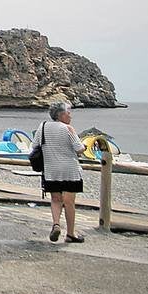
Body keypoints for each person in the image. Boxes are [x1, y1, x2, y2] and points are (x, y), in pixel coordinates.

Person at [36, 100, 86, 244]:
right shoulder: (68, 129)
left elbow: (35, 145)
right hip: (70, 170)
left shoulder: (43, 127)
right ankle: (70, 233)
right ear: (61, 115)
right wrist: (83, 146)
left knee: (56, 199)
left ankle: (56, 223)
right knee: (69, 202)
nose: (70, 116)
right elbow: (79, 148)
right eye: (68, 113)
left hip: (51, 170)